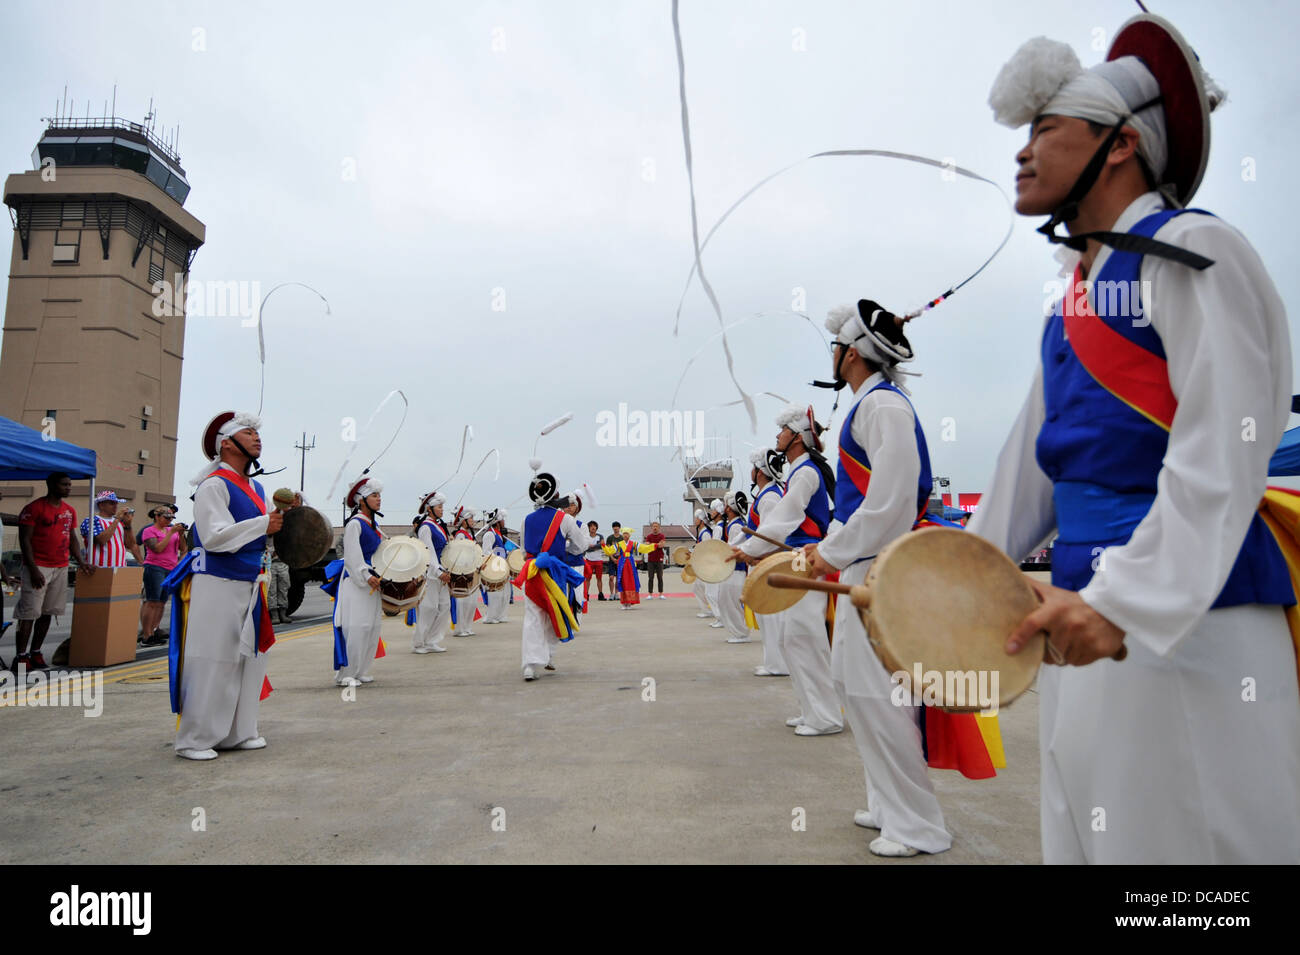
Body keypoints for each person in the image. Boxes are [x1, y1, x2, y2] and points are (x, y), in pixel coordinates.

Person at [968, 14, 1300, 863]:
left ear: (1119, 145)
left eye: (1046, 129)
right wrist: (950, 585)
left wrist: (1125, 602)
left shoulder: (1196, 248)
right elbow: (1027, 474)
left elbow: (1227, 448)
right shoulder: (1074, 293)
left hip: (1187, 626)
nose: (1022, 150)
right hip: (1086, 620)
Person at [803, 300, 951, 857]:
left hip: (884, 566)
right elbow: (861, 502)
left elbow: (889, 502)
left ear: (853, 353)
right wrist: (833, 549)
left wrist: (829, 552)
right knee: (853, 684)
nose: (832, 355)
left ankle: (919, 825)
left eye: (836, 345)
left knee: (880, 694)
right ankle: (888, 804)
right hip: (865, 561)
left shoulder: (883, 407)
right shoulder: (869, 405)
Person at [170, 412, 280, 759]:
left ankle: (238, 731)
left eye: (258, 433)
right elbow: (215, 537)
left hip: (251, 581)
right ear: (227, 443)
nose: (257, 438)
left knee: (248, 657)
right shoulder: (214, 485)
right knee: (212, 658)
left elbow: (259, 534)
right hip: (217, 580)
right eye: (249, 433)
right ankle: (195, 738)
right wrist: (265, 523)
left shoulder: (257, 487)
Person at [735, 405, 842, 737]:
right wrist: (754, 551)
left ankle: (825, 716)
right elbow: (781, 521)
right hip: (795, 558)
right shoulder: (801, 471)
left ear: (797, 437)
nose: (778, 436)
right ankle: (811, 710)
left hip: (804, 560)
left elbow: (784, 518)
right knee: (792, 637)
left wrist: (750, 550)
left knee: (803, 636)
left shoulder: (806, 472)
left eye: (782, 430)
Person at [12, 472, 93, 673]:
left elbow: (72, 538)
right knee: (29, 613)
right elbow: (25, 540)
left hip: (60, 565)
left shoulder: (69, 511)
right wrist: (33, 569)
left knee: (48, 612)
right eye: (64, 484)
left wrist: (81, 562)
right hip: (38, 566)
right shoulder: (34, 508)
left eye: (69, 484)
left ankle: (36, 652)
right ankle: (21, 656)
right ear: (51, 484)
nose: (68, 488)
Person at [516, 472, 593, 680]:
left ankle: (530, 665)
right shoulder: (565, 519)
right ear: (555, 494)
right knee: (553, 613)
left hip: (533, 573)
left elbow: (524, 552)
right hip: (555, 573)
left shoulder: (526, 520)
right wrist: (564, 546)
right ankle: (549, 656)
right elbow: (580, 547)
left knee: (533, 618)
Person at [332, 477, 386, 687]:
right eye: (374, 495)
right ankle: (346, 673)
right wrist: (366, 575)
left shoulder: (373, 524)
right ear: (361, 500)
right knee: (356, 626)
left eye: (379, 495)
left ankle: (361, 669)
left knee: (371, 626)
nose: (378, 499)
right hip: (356, 582)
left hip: (372, 580)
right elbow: (353, 555)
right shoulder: (355, 524)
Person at [748, 448, 789, 677]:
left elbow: (772, 536)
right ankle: (772, 661)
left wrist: (758, 555)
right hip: (763, 561)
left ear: (760, 472)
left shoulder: (770, 497)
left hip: (769, 562)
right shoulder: (766, 495)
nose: (751, 472)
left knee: (772, 616)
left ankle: (778, 664)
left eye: (753, 468)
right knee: (766, 616)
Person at [140, 505, 187, 646]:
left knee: (161, 603)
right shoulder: (149, 531)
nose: (169, 521)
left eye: (171, 518)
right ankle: (146, 635)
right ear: (157, 516)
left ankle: (154, 631)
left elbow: (183, 548)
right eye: (166, 518)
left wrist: (179, 534)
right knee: (152, 601)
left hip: (170, 568)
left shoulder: (170, 530)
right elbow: (158, 548)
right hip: (155, 567)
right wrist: (171, 532)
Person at [413, 491, 451, 654]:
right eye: (439, 507)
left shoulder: (438, 526)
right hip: (430, 574)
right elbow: (428, 553)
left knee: (444, 606)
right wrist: (438, 570)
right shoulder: (425, 527)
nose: (442, 510)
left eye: (442, 507)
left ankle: (432, 640)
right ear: (430, 509)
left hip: (442, 573)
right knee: (428, 608)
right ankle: (419, 643)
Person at [718, 491, 752, 642]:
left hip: (736, 570)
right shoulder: (733, 525)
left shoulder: (736, 526)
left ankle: (741, 632)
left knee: (732, 602)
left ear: (729, 508)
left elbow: (733, 548)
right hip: (733, 571)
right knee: (726, 601)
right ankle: (738, 631)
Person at [79, 490, 144, 567]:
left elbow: (130, 545)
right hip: (99, 569)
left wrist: (128, 526)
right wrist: (117, 519)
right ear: (101, 505)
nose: (116, 506)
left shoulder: (119, 522)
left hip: (120, 568)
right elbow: (101, 540)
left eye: (116, 503)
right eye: (111, 503)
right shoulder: (91, 520)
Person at [604, 528, 654, 609]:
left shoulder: (633, 544)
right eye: (624, 534)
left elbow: (643, 548)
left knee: (631, 581)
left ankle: (630, 602)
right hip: (622, 564)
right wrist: (604, 546)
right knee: (623, 581)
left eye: (627, 534)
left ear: (629, 535)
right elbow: (610, 551)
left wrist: (653, 546)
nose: (625, 535)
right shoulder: (619, 544)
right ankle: (624, 602)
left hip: (630, 564)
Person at [478, 508, 511, 624]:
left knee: (504, 593)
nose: (504, 522)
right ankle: (490, 616)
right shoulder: (489, 534)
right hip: (494, 567)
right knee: (494, 593)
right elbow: (486, 552)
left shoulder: (498, 534)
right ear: (497, 521)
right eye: (503, 520)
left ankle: (500, 615)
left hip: (501, 566)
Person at [450, 507, 478, 636]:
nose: (473, 521)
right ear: (464, 521)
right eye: (470, 518)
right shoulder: (460, 535)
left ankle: (467, 626)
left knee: (471, 601)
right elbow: (458, 553)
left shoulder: (469, 535)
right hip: (462, 571)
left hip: (471, 569)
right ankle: (460, 628)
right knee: (463, 600)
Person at [689, 508, 713, 618]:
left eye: (696, 518)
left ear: (702, 521)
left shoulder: (706, 533)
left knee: (706, 589)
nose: (695, 520)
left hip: (705, 565)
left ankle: (711, 611)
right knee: (698, 587)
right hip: (702, 564)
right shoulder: (702, 532)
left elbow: (707, 549)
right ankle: (706, 610)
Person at [583, 521, 607, 602]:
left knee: (599, 578)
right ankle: (586, 594)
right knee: (587, 578)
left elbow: (602, 545)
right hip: (588, 560)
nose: (593, 528)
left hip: (598, 560)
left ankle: (600, 594)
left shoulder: (600, 536)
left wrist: (593, 546)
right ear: (588, 528)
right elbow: (585, 547)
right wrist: (596, 546)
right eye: (591, 526)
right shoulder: (586, 537)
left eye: (594, 526)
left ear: (596, 527)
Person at [644, 522, 667, 598]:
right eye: (654, 526)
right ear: (651, 528)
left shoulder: (662, 536)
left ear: (659, 527)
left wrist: (652, 544)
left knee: (660, 577)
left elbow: (662, 545)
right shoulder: (649, 536)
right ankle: (650, 594)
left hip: (659, 559)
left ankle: (661, 593)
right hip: (650, 560)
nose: (655, 528)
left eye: (656, 526)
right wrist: (657, 544)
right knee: (650, 577)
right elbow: (647, 546)